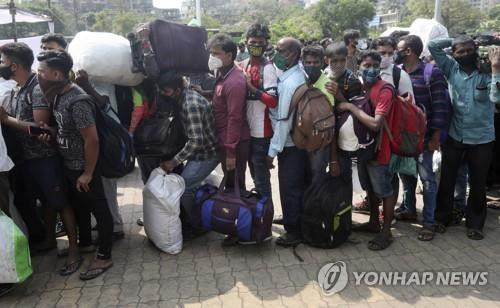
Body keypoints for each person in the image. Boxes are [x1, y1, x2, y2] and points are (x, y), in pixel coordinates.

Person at [0, 43, 83, 275]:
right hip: (29, 159)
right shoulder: (19, 88)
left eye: (2, 61)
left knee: (60, 202)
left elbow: (40, 129)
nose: (0, 66)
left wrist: (7, 120)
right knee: (45, 202)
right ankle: (49, 240)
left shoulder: (36, 89)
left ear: (14, 65)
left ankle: (74, 250)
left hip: (44, 158)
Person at [37, 50, 114, 280]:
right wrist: (50, 133)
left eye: (41, 71)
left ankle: (104, 255)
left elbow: (92, 139)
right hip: (69, 164)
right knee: (80, 207)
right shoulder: (59, 95)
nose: (38, 75)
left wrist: (88, 173)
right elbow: (65, 129)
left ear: (57, 74)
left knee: (99, 210)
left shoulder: (77, 100)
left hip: (83, 167)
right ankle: (86, 245)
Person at [429, 37, 500, 240]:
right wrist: (458, 39)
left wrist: (496, 68)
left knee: (477, 183)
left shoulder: (487, 73)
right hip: (455, 136)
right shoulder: (451, 68)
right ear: (454, 54)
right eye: (460, 52)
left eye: (469, 49)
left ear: (475, 50)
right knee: (447, 180)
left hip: (482, 139)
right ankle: (442, 219)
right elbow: (433, 46)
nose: (465, 54)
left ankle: (475, 224)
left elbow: (496, 99)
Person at [336, 51, 398, 250]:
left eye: (374, 65)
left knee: (384, 190)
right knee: (370, 187)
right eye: (366, 65)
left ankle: (386, 231)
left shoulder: (385, 90)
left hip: (381, 149)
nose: (371, 69)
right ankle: (373, 222)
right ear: (359, 67)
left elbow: (375, 124)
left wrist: (350, 107)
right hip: (365, 149)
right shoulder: (361, 87)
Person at [393, 35, 450, 241]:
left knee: (427, 181)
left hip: (426, 139)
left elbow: (441, 107)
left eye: (399, 48)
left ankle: (428, 222)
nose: (395, 52)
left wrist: (435, 137)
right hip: (404, 138)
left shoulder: (431, 73)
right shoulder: (397, 72)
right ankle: (409, 209)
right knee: (406, 176)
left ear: (408, 51)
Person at [157, 72, 219, 239]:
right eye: (162, 91)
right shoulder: (182, 98)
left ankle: (198, 225)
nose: (164, 94)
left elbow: (196, 141)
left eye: (167, 91)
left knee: (185, 188)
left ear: (177, 90)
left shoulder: (190, 104)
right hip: (199, 151)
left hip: (207, 153)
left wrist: (173, 161)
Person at [208, 34, 251, 246]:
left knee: (236, 184)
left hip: (234, 141)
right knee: (232, 181)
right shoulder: (223, 74)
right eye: (211, 53)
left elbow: (235, 117)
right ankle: (235, 222)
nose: (212, 57)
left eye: (216, 53)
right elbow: (220, 99)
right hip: (225, 139)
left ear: (229, 55)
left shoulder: (234, 81)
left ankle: (238, 228)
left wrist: (231, 151)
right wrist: (206, 93)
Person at [267, 37, 307, 247]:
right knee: (293, 185)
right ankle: (292, 218)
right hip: (292, 142)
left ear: (292, 54)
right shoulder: (293, 75)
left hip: (289, 144)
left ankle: (293, 231)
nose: (276, 53)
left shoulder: (292, 81)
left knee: (289, 186)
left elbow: (283, 121)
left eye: (280, 50)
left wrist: (271, 152)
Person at [240, 23, 278, 199]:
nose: (256, 46)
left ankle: (266, 213)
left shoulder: (268, 68)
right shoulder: (243, 64)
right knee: (253, 173)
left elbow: (272, 101)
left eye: (260, 42)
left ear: (266, 44)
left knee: (261, 177)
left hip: (262, 132)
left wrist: (251, 87)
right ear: (246, 42)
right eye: (253, 42)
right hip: (246, 129)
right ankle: (260, 211)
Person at [300, 44, 343, 184]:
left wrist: (333, 159)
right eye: (308, 62)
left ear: (322, 62)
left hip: (320, 146)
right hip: (300, 142)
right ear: (303, 62)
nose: (312, 66)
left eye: (316, 62)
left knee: (317, 183)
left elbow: (332, 125)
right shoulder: (299, 82)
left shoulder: (328, 86)